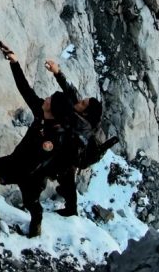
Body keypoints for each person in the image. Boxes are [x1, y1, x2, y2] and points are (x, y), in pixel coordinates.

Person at [0, 47, 79, 238]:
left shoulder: (52, 139)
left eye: (49, 100)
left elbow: (28, 168)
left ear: (53, 110)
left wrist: (1, 179)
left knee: (31, 203)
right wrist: (15, 63)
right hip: (16, 161)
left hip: (32, 174)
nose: (45, 99)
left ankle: (36, 221)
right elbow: (25, 90)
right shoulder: (43, 113)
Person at [44, 58, 104, 216]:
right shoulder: (83, 114)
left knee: (65, 174)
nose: (79, 102)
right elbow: (72, 93)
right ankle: (70, 206)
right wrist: (57, 72)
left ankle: (70, 208)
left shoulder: (81, 123)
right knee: (67, 179)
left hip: (69, 153)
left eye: (83, 104)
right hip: (69, 149)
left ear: (85, 112)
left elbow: (67, 106)